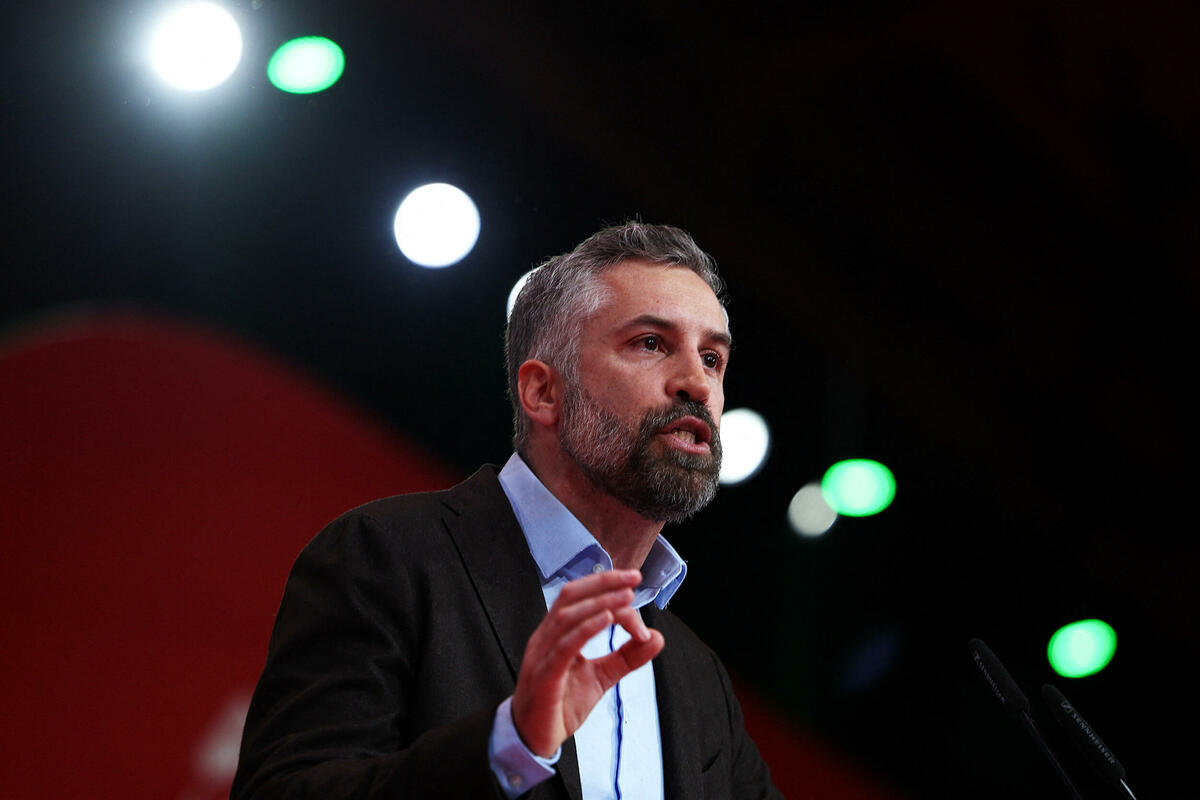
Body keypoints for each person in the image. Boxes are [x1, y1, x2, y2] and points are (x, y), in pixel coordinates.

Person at [231, 222, 783, 800]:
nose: (697, 383)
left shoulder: (698, 679)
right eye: (650, 343)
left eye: (712, 358)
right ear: (543, 392)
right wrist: (509, 746)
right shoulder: (386, 558)